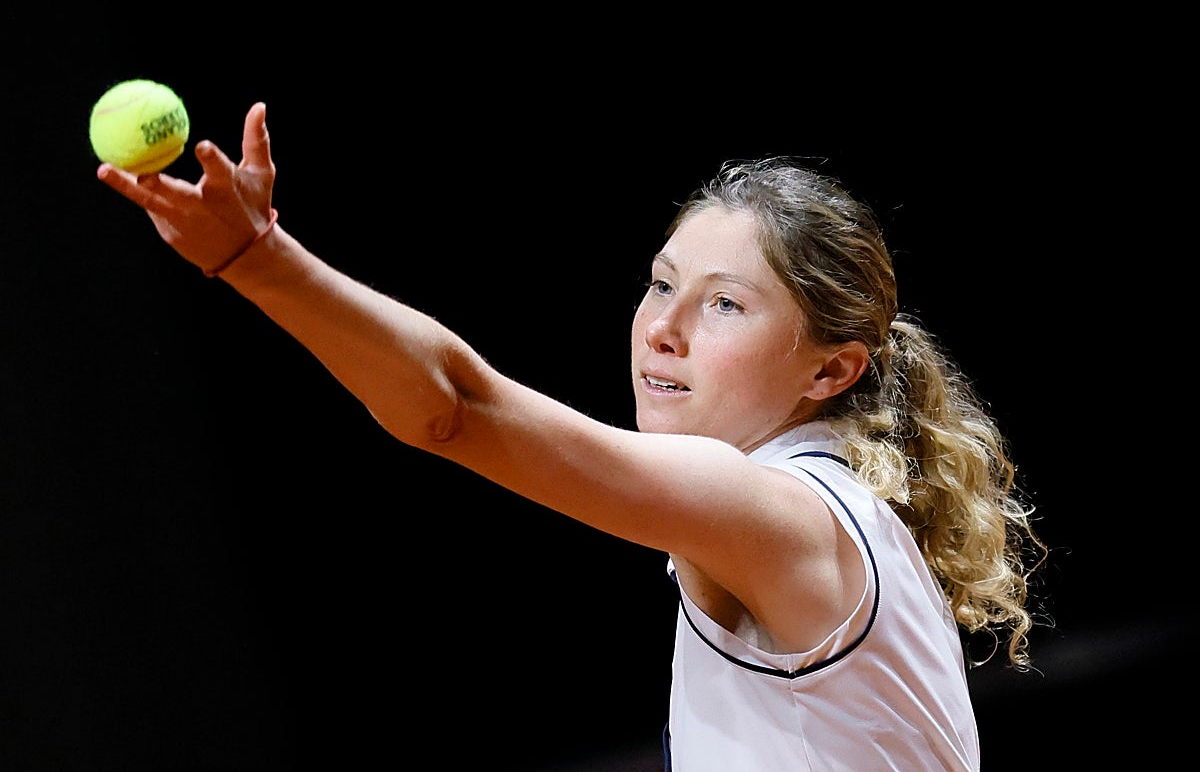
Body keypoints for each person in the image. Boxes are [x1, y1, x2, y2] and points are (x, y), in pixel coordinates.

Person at [97, 102, 1046, 771]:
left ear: (830, 371)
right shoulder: (834, 509)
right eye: (661, 282)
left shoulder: (773, 509)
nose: (663, 327)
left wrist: (258, 259)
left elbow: (454, 409)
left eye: (724, 303)